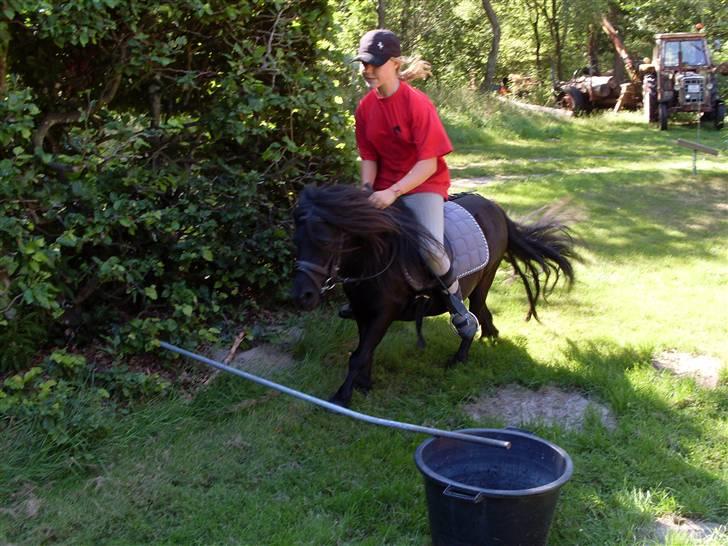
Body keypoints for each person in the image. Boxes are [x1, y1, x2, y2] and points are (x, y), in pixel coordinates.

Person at [347, 28, 478, 339]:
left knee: (430, 247)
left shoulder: (417, 104)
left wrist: (393, 192)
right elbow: (368, 156)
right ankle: (362, 300)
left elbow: (428, 162)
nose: (367, 70)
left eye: (374, 64)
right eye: (363, 63)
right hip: (382, 186)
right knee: (354, 235)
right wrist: (367, 190)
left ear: (395, 63)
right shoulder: (365, 108)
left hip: (423, 185)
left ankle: (457, 304)